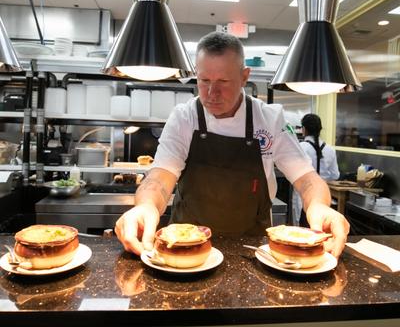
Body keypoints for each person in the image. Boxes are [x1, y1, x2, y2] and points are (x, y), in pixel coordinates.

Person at [115, 32, 349, 258]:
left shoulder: (269, 119)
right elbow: (159, 179)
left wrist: (319, 206)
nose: (211, 93)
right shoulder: (184, 117)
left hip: (252, 248)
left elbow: (308, 180)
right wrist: (145, 206)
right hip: (185, 246)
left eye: (223, 82)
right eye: (204, 80)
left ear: (245, 77)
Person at [292, 113, 340, 227]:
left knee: (301, 229)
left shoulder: (301, 147)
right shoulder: (330, 149)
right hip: (323, 197)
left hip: (303, 196)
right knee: (319, 226)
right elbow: (335, 175)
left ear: (304, 129)